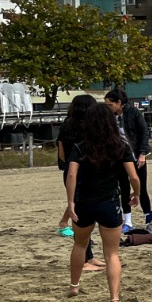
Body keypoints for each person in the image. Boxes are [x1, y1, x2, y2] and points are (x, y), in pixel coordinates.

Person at [65, 100, 143, 302]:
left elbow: (71, 175)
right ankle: (114, 298)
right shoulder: (120, 146)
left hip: (84, 202)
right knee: (112, 254)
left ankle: (74, 286)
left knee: (80, 244)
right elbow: (133, 176)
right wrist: (135, 193)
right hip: (109, 202)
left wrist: (70, 202)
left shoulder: (80, 146)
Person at [56, 94, 103, 271]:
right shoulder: (91, 127)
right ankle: (83, 260)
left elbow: (61, 154)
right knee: (83, 217)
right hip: (86, 172)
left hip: (69, 170)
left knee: (81, 214)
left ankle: (89, 256)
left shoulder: (66, 126)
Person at [105, 88, 152, 230]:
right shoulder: (110, 117)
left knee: (141, 187)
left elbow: (144, 133)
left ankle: (148, 218)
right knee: (124, 187)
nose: (108, 108)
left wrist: (143, 153)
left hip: (136, 155)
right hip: (120, 156)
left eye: (110, 105)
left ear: (119, 102)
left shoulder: (134, 113)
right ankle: (128, 221)